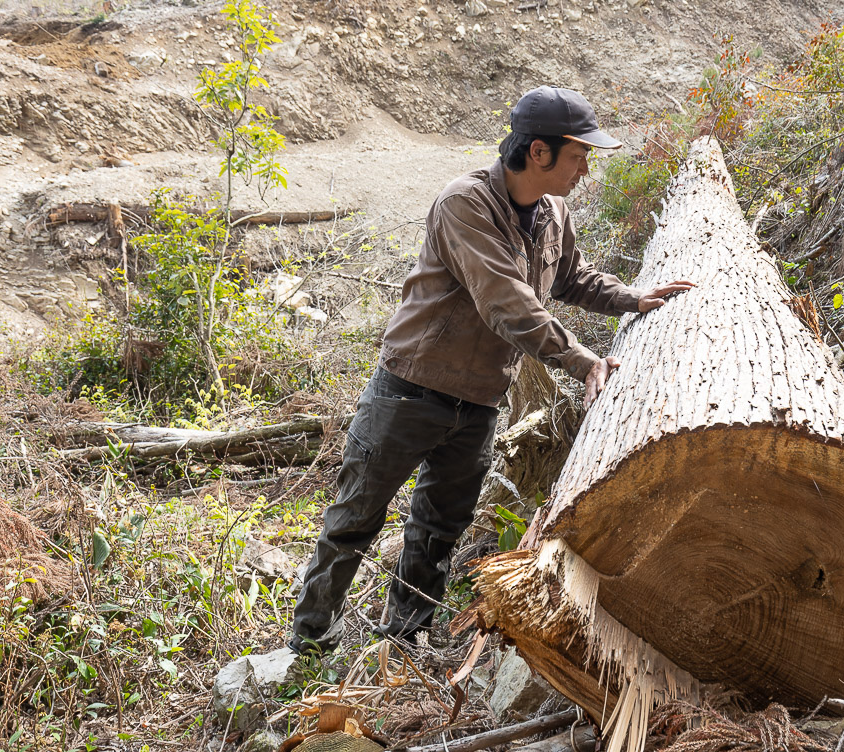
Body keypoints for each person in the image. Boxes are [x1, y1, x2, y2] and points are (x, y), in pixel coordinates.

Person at [289, 85, 694, 655]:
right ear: (538, 152)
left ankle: (406, 642)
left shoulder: (554, 212)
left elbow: (572, 278)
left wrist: (633, 298)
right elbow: (507, 302)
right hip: (410, 392)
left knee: (438, 528)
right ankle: (305, 646)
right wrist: (581, 360)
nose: (584, 169)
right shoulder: (465, 204)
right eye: (578, 155)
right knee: (355, 517)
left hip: (478, 401)